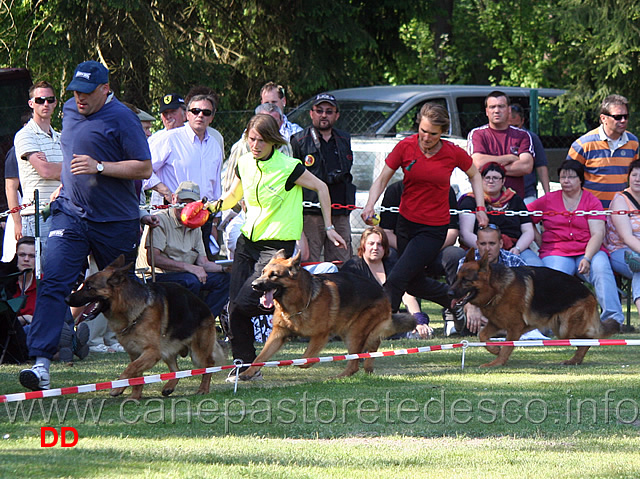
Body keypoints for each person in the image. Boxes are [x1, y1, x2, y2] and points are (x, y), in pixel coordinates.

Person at [18, 60, 152, 391]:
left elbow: (144, 168)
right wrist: (66, 185)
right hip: (71, 213)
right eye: (76, 91)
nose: (79, 98)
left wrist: (100, 167)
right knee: (54, 280)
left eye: (87, 93)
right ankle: (40, 363)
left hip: (115, 221)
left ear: (105, 90)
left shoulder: (123, 119)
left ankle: (145, 357)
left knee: (126, 294)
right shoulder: (69, 108)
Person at [212, 114, 346, 379]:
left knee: (243, 303)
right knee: (233, 307)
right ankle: (244, 364)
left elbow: (321, 188)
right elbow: (232, 197)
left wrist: (329, 228)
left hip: (275, 249)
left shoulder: (289, 166)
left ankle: (287, 313)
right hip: (246, 243)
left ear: (273, 141)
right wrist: (207, 208)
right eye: (252, 139)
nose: (256, 145)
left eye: (262, 140)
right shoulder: (244, 163)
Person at [361, 103, 489, 317]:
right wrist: (369, 204)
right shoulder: (405, 147)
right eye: (423, 131)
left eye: (433, 134)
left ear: (442, 133)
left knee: (397, 278)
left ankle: (377, 324)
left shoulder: (452, 153)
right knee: (414, 284)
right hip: (406, 224)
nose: (426, 137)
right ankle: (457, 304)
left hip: (432, 229)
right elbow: (383, 178)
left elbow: (475, 175)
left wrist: (480, 207)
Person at [527, 159, 624, 326]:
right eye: (563, 177)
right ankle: (550, 322)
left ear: (580, 179)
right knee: (552, 275)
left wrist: (587, 258)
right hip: (556, 250)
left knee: (601, 267)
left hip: (588, 250)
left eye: (571, 177)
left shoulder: (591, 201)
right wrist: (537, 237)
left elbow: (597, 233)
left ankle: (613, 319)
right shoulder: (548, 200)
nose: (566, 181)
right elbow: (524, 216)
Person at [148, 91, 224, 259]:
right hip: (174, 215)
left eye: (206, 112)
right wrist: (165, 191)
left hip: (203, 215)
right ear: (187, 114)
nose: (200, 116)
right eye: (195, 111)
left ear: (212, 117)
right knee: (174, 268)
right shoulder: (169, 139)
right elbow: (143, 169)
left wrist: (215, 220)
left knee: (205, 268)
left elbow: (216, 185)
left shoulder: (214, 145)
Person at [146, 181, 230, 318]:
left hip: (186, 275)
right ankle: (185, 325)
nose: (185, 208)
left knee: (225, 279)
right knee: (191, 280)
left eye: (190, 204)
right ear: (173, 199)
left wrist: (226, 268)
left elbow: (203, 263)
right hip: (158, 276)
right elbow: (153, 259)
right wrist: (189, 267)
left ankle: (203, 321)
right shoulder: (160, 220)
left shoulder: (195, 225)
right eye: (182, 202)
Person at [291, 93, 355, 263]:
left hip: (340, 212)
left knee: (341, 262)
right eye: (319, 111)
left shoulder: (344, 139)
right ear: (311, 113)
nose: (324, 115)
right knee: (308, 262)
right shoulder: (299, 141)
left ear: (337, 115)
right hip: (311, 214)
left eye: (329, 111)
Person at [342, 226, 434, 339]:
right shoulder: (352, 267)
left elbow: (407, 295)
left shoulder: (393, 264)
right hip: (361, 318)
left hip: (390, 316)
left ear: (385, 247)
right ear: (363, 246)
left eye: (380, 244)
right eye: (371, 244)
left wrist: (419, 320)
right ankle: (406, 333)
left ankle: (414, 330)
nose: (375, 248)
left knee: (417, 317)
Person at [457, 225, 547, 339]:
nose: (487, 248)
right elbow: (460, 291)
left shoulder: (514, 261)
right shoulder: (466, 263)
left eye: (492, 244)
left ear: (500, 244)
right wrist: (470, 306)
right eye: (483, 244)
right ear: (477, 244)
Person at [13, 80, 63, 264]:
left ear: (56, 102)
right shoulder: (25, 135)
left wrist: (58, 169)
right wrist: (60, 169)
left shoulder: (61, 137)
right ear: (31, 103)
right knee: (39, 272)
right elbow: (46, 171)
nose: (46, 104)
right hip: (37, 214)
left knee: (59, 270)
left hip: (61, 211)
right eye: (40, 100)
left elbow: (74, 173)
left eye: (50, 99)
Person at [459, 162, 543, 266]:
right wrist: (489, 248)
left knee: (536, 266)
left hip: (515, 249)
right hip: (482, 250)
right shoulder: (470, 200)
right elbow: (465, 234)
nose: (491, 181)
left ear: (503, 181)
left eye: (495, 178)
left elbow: (528, 231)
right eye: (487, 177)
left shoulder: (514, 199)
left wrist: (517, 249)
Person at [567, 94, 639, 208]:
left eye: (626, 116)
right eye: (618, 117)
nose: (623, 120)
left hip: (623, 211)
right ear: (603, 118)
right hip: (591, 212)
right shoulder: (583, 145)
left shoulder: (633, 143)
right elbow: (568, 180)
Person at [467, 91, 534, 198]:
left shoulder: (523, 135)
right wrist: (511, 158)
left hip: (514, 200)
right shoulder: (477, 134)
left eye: (501, 106)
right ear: (486, 111)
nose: (497, 111)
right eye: (492, 107)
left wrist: (489, 170)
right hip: (484, 200)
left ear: (509, 110)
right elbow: (478, 164)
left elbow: (526, 166)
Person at [224, 102, 293, 193]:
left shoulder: (286, 146)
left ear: (281, 122)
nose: (269, 126)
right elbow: (229, 188)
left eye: (274, 121)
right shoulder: (242, 147)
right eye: (264, 121)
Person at [605, 159, 640, 325]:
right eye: (634, 175)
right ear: (628, 177)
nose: (638, 179)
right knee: (638, 267)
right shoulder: (620, 200)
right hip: (621, 251)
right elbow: (627, 238)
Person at [509, 103, 550, 204]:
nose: (514, 130)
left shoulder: (531, 137)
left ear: (522, 121)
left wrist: (548, 195)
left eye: (516, 126)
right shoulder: (500, 137)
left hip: (527, 193)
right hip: (503, 193)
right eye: (510, 126)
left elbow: (541, 166)